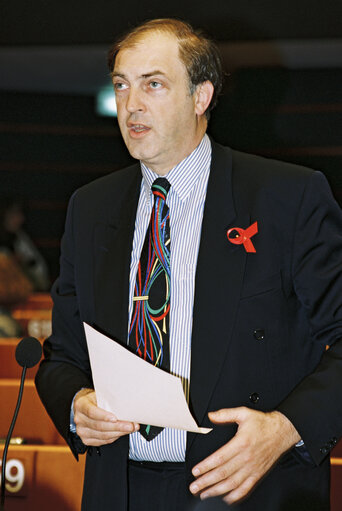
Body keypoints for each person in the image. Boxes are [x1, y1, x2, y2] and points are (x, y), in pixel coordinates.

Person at [35, 18, 342, 511]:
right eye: (121, 85)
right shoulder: (90, 208)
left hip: (245, 488)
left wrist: (287, 429)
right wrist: (76, 406)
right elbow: (63, 356)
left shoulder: (287, 197)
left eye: (153, 84)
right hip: (119, 488)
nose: (131, 105)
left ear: (201, 97)